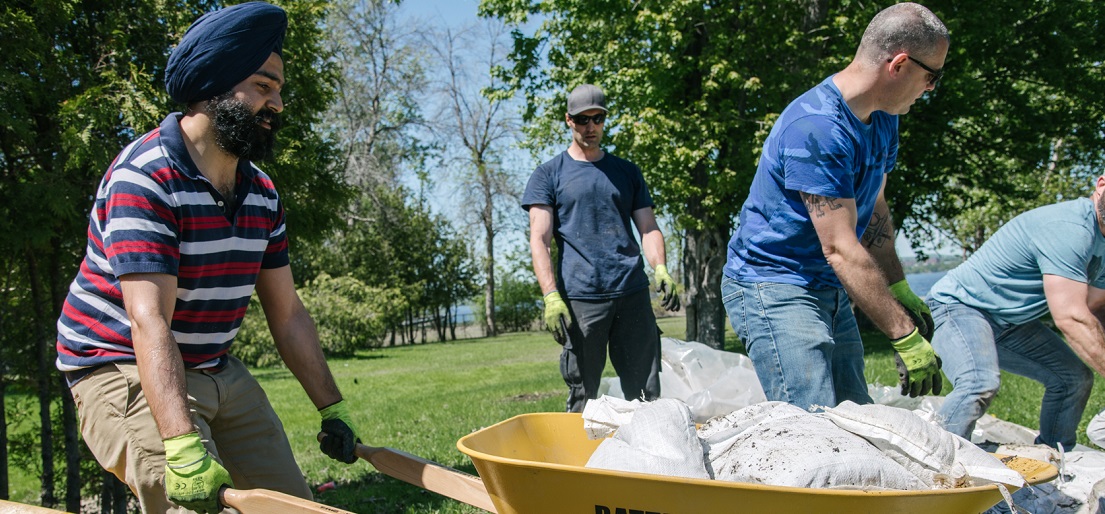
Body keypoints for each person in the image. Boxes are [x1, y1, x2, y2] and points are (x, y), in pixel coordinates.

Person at [55, 4, 358, 512]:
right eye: (264, 86)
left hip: (213, 367)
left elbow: (288, 314)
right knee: (188, 504)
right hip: (119, 366)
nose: (277, 103)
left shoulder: (260, 193)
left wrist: (334, 407)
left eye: (279, 90)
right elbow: (147, 319)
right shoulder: (146, 177)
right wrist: (179, 442)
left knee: (293, 506)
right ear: (214, 85)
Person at [721, 3, 949, 411]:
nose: (931, 88)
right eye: (931, 75)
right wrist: (902, 333)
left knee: (854, 416)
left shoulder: (883, 116)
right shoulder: (817, 128)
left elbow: (874, 208)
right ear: (898, 64)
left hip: (827, 282)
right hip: (774, 283)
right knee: (812, 420)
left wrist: (897, 287)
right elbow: (840, 248)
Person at [523, 83, 681, 413]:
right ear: (568, 120)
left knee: (646, 393)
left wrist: (661, 267)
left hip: (632, 292)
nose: (590, 127)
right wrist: (551, 295)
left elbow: (648, 227)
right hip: (582, 298)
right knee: (583, 394)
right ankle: (579, 462)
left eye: (598, 119)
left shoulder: (626, 171)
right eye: (583, 120)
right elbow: (539, 239)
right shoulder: (548, 175)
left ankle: (647, 460)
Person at [927, 177, 1105, 450]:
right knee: (978, 383)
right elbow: (1072, 318)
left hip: (1011, 323)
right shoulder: (1070, 228)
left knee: (1073, 378)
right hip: (959, 307)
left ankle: (1053, 459)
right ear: (1101, 184)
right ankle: (931, 461)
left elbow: (1094, 308)